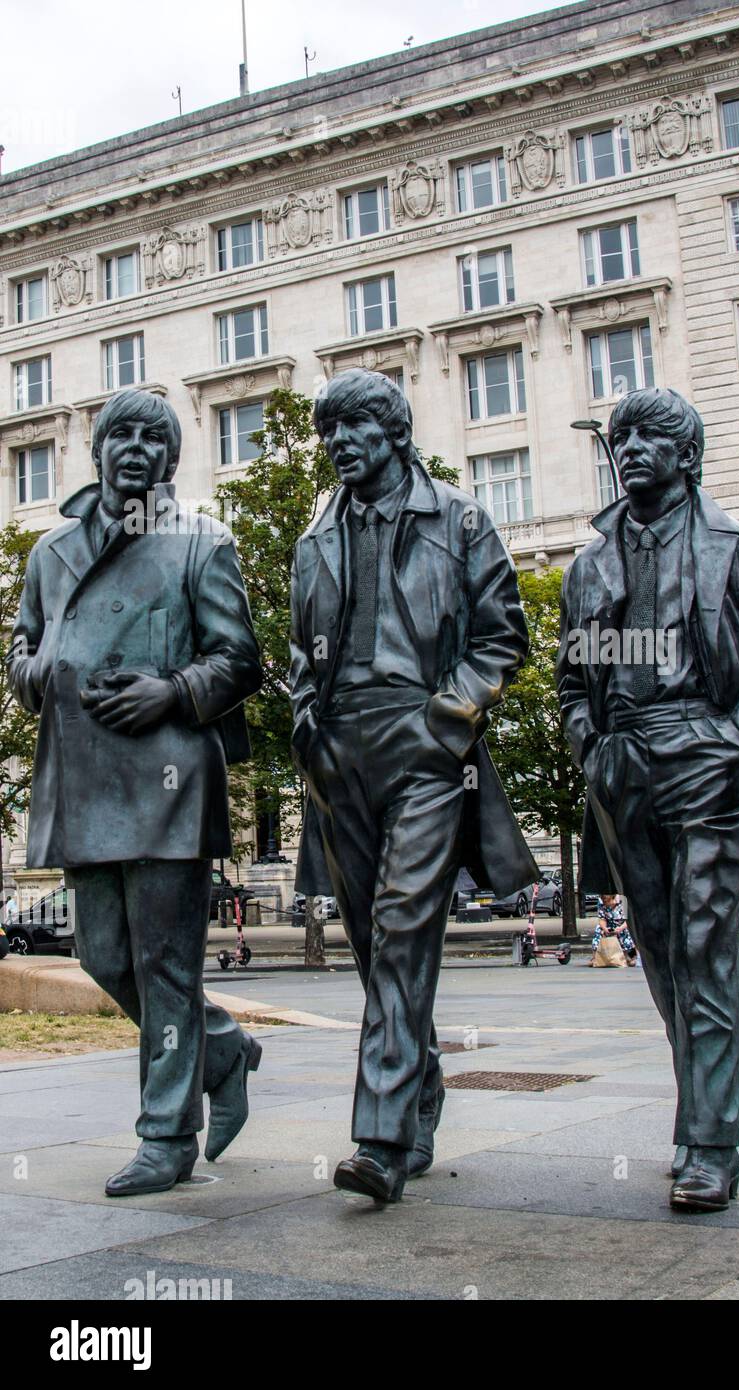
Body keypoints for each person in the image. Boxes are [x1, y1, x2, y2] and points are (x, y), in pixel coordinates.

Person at [5, 389, 263, 1196]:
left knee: (165, 962)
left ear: (173, 459)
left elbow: (240, 659)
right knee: (101, 954)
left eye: (155, 438)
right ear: (96, 449)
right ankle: (220, 1048)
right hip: (81, 777)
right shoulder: (49, 552)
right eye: (121, 435)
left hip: (168, 777)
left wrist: (173, 691)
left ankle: (165, 1135)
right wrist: (32, 672)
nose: (136, 449)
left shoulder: (200, 542)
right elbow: (20, 650)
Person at [291, 368, 536, 1204]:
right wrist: (303, 725)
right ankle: (420, 1092)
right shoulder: (314, 539)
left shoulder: (460, 521)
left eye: (353, 427)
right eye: (328, 433)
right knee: (370, 942)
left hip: (425, 743)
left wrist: (449, 715)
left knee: (401, 930)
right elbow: (300, 653)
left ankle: (382, 1139)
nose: (338, 445)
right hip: (337, 754)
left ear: (394, 431)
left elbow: (503, 636)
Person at [558, 387, 739, 1213]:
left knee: (704, 948)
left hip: (707, 756)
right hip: (624, 763)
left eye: (652, 436)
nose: (632, 447)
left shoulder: (734, 550)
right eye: (622, 437)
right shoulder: (590, 562)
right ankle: (702, 1118)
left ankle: (710, 1142)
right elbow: (573, 679)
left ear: (688, 456)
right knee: (659, 956)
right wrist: (591, 745)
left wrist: (733, 741)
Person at [590, 894, 637, 965]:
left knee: (626, 932)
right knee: (599, 930)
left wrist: (620, 928)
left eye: (608, 902)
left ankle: (628, 956)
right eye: (604, 902)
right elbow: (601, 918)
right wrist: (605, 928)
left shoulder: (623, 900)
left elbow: (629, 920)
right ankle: (595, 957)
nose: (606, 905)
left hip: (622, 925)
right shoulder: (601, 901)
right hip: (608, 924)